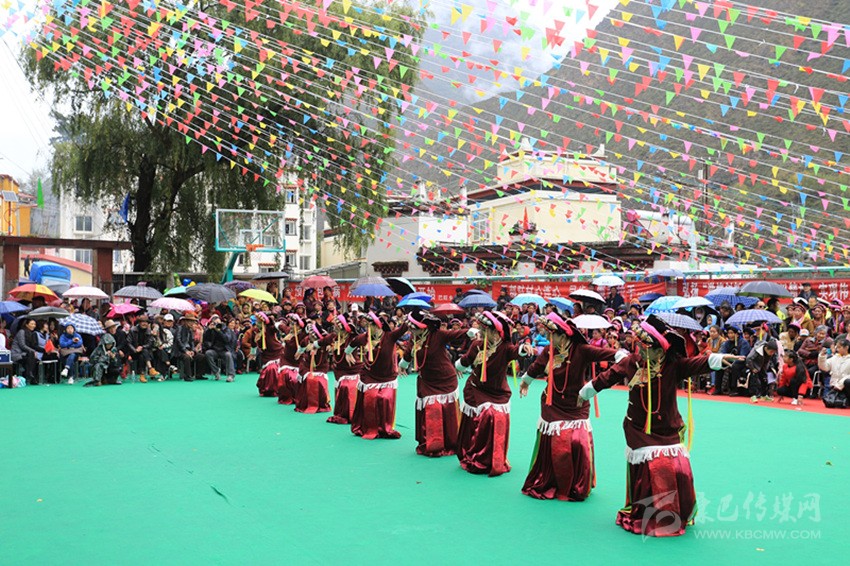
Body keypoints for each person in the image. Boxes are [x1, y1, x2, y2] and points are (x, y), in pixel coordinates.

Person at [579, 315, 742, 537]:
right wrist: (584, 393)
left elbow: (696, 363)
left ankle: (677, 512)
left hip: (668, 428)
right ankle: (648, 514)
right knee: (653, 469)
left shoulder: (673, 365)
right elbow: (608, 377)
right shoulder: (632, 362)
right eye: (641, 346)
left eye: (648, 348)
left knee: (679, 469)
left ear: (660, 350)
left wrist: (719, 359)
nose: (642, 351)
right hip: (638, 429)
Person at [518, 313, 621, 501]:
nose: (550, 339)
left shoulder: (581, 350)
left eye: (553, 335)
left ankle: (577, 482)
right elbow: (537, 366)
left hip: (577, 403)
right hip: (552, 403)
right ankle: (551, 479)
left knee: (577, 441)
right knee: (554, 442)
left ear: (564, 336)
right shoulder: (550, 350)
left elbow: (603, 354)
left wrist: (619, 354)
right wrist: (526, 381)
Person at [455, 311, 534, 476]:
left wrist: (524, 348)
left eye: (487, 330)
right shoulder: (477, 345)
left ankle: (494, 457)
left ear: (496, 332)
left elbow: (516, 351)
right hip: (476, 389)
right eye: (483, 330)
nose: (483, 333)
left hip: (498, 392)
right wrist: (459, 367)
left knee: (494, 416)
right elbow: (465, 361)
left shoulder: (505, 347)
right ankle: (475, 455)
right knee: (485, 416)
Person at [400, 311, 471, 457]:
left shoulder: (438, 335)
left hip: (445, 379)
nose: (411, 330)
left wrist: (474, 332)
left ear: (423, 327)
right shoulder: (415, 338)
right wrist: (403, 365)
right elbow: (408, 353)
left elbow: (458, 334)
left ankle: (450, 443)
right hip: (427, 381)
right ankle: (432, 444)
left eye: (413, 327)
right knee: (431, 410)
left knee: (443, 410)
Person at [346, 312, 408, 440]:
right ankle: (368, 427)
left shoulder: (390, 336)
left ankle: (384, 428)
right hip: (369, 375)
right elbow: (353, 343)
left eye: (371, 325)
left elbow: (403, 329)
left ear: (378, 326)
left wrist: (411, 315)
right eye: (367, 325)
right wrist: (348, 353)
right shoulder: (364, 338)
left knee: (385, 399)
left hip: (388, 376)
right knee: (371, 399)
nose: (368, 328)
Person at [326, 314, 363, 425]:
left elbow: (360, 338)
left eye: (337, 326)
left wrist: (348, 351)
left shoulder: (351, 337)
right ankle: (342, 412)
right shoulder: (334, 337)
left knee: (347, 386)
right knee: (341, 387)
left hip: (353, 369)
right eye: (335, 326)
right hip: (339, 371)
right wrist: (315, 346)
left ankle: (352, 414)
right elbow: (322, 340)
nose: (335, 328)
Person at [295, 323, 333, 414]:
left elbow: (333, 340)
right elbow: (299, 350)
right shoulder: (306, 340)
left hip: (321, 367)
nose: (310, 336)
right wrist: (300, 352)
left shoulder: (324, 341)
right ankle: (306, 403)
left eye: (313, 335)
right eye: (310, 334)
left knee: (320, 381)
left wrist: (332, 346)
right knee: (309, 380)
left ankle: (322, 404)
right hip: (307, 367)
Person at [255, 312, 284, 397]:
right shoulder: (256, 332)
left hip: (278, 353)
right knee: (268, 370)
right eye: (257, 321)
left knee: (272, 369)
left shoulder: (270, 328)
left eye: (259, 321)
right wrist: (252, 353)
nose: (257, 323)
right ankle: (267, 389)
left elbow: (275, 328)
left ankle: (276, 389)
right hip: (266, 356)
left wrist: (278, 324)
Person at [87, 320, 123, 386]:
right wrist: (104, 358)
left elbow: (116, 362)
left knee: (117, 367)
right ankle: (98, 380)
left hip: (110, 366)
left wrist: (113, 358)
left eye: (113, 327)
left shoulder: (114, 347)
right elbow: (92, 359)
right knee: (98, 366)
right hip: (100, 366)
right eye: (110, 328)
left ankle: (112, 380)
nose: (109, 345)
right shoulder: (99, 349)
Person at [203, 314, 235, 382]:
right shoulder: (211, 329)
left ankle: (231, 375)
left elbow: (227, 339)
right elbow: (205, 339)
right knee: (208, 353)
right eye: (215, 323)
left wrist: (219, 331)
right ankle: (216, 371)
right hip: (215, 350)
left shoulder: (226, 329)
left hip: (225, 350)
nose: (217, 324)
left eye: (218, 323)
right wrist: (208, 330)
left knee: (228, 355)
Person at [10, 318, 40, 384]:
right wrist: (33, 351)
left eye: (34, 324)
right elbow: (22, 345)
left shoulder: (31, 333)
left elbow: (32, 346)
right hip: (17, 354)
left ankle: (31, 376)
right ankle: (29, 374)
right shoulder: (21, 332)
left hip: (26, 354)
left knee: (35, 359)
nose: (33, 325)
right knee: (31, 357)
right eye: (32, 324)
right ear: (26, 325)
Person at [173, 314, 199, 382]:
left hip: (188, 349)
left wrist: (192, 350)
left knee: (201, 356)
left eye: (193, 321)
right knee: (186, 357)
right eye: (191, 321)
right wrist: (185, 350)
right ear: (186, 321)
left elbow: (192, 342)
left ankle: (198, 375)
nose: (192, 323)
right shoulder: (179, 328)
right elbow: (178, 341)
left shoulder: (190, 330)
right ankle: (187, 376)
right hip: (179, 351)